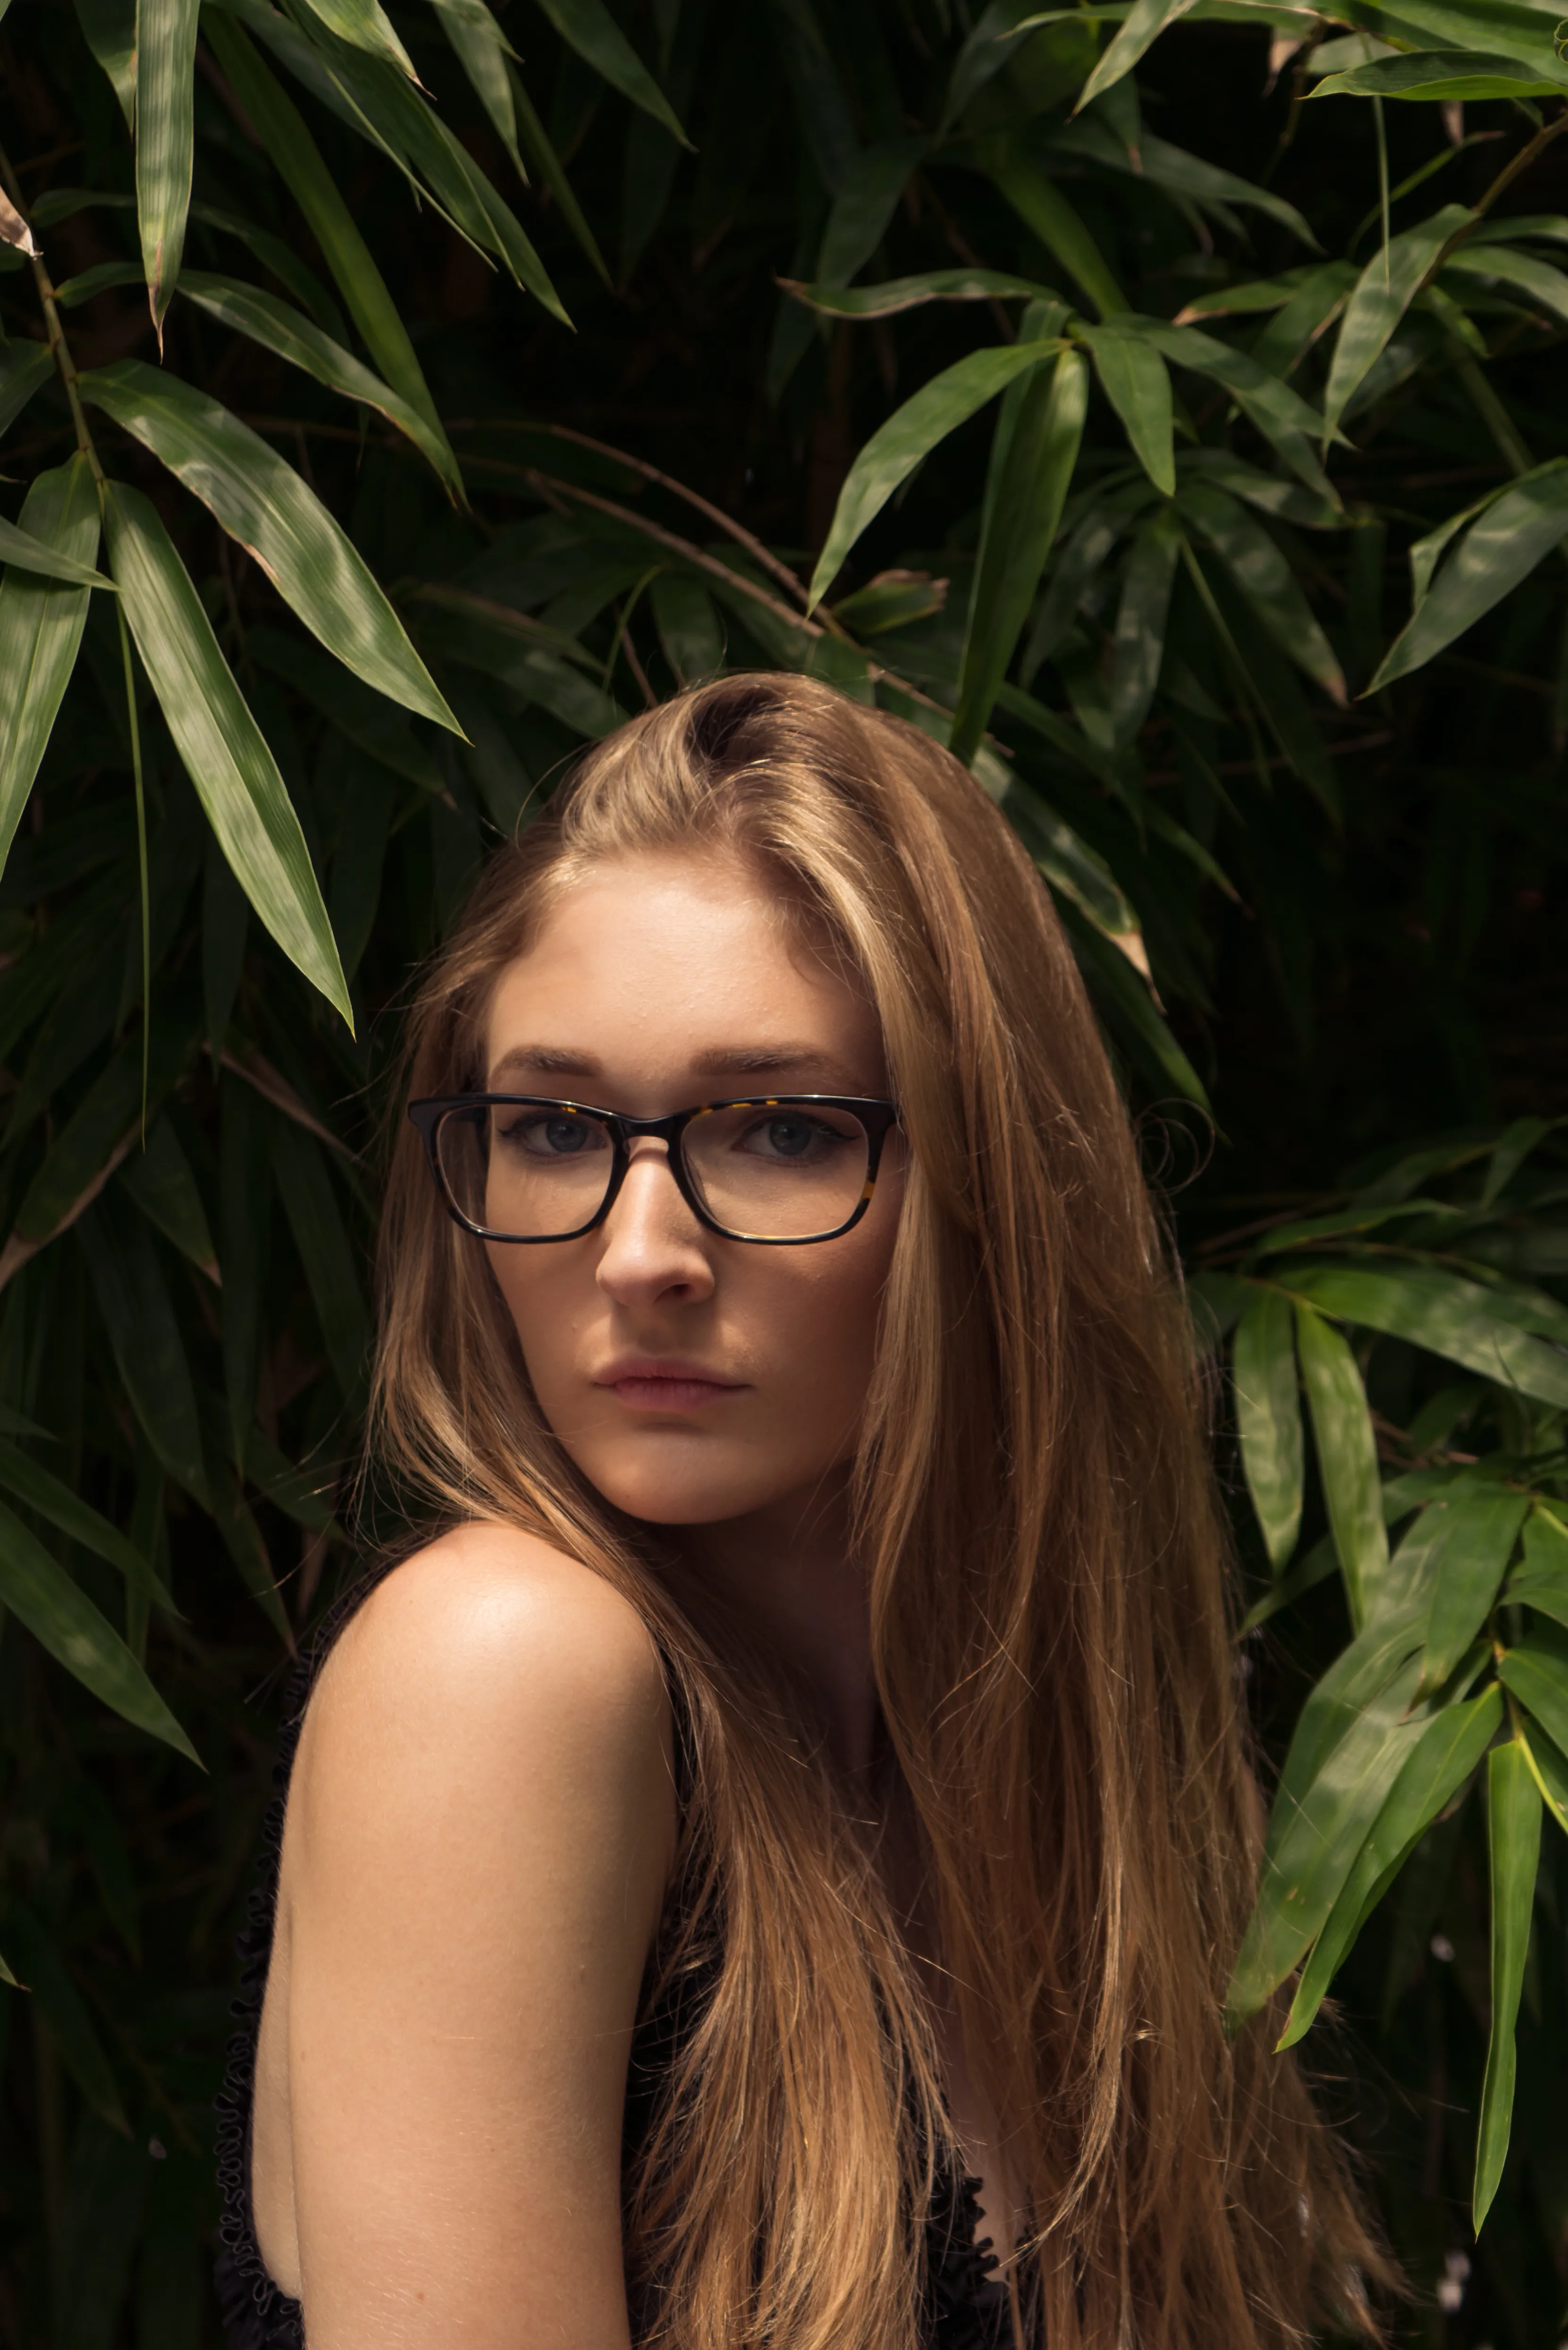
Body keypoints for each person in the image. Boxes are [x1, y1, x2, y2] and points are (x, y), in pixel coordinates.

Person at [216, 673, 1381, 2350]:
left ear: (989, 1187)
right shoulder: (499, 1671)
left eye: (776, 1130)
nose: (638, 1254)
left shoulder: (1033, 1785)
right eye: (551, 1125)